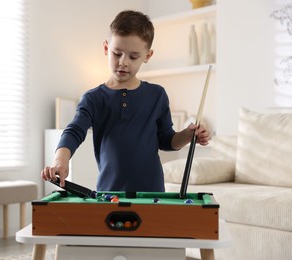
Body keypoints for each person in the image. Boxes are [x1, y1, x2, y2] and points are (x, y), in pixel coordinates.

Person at [41, 10, 210, 192]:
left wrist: (188, 135)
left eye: (133, 56)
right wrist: (61, 159)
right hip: (109, 193)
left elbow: (167, 140)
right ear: (106, 48)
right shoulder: (93, 99)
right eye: (117, 53)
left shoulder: (157, 95)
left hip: (152, 194)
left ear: (148, 56)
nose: (123, 62)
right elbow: (74, 131)